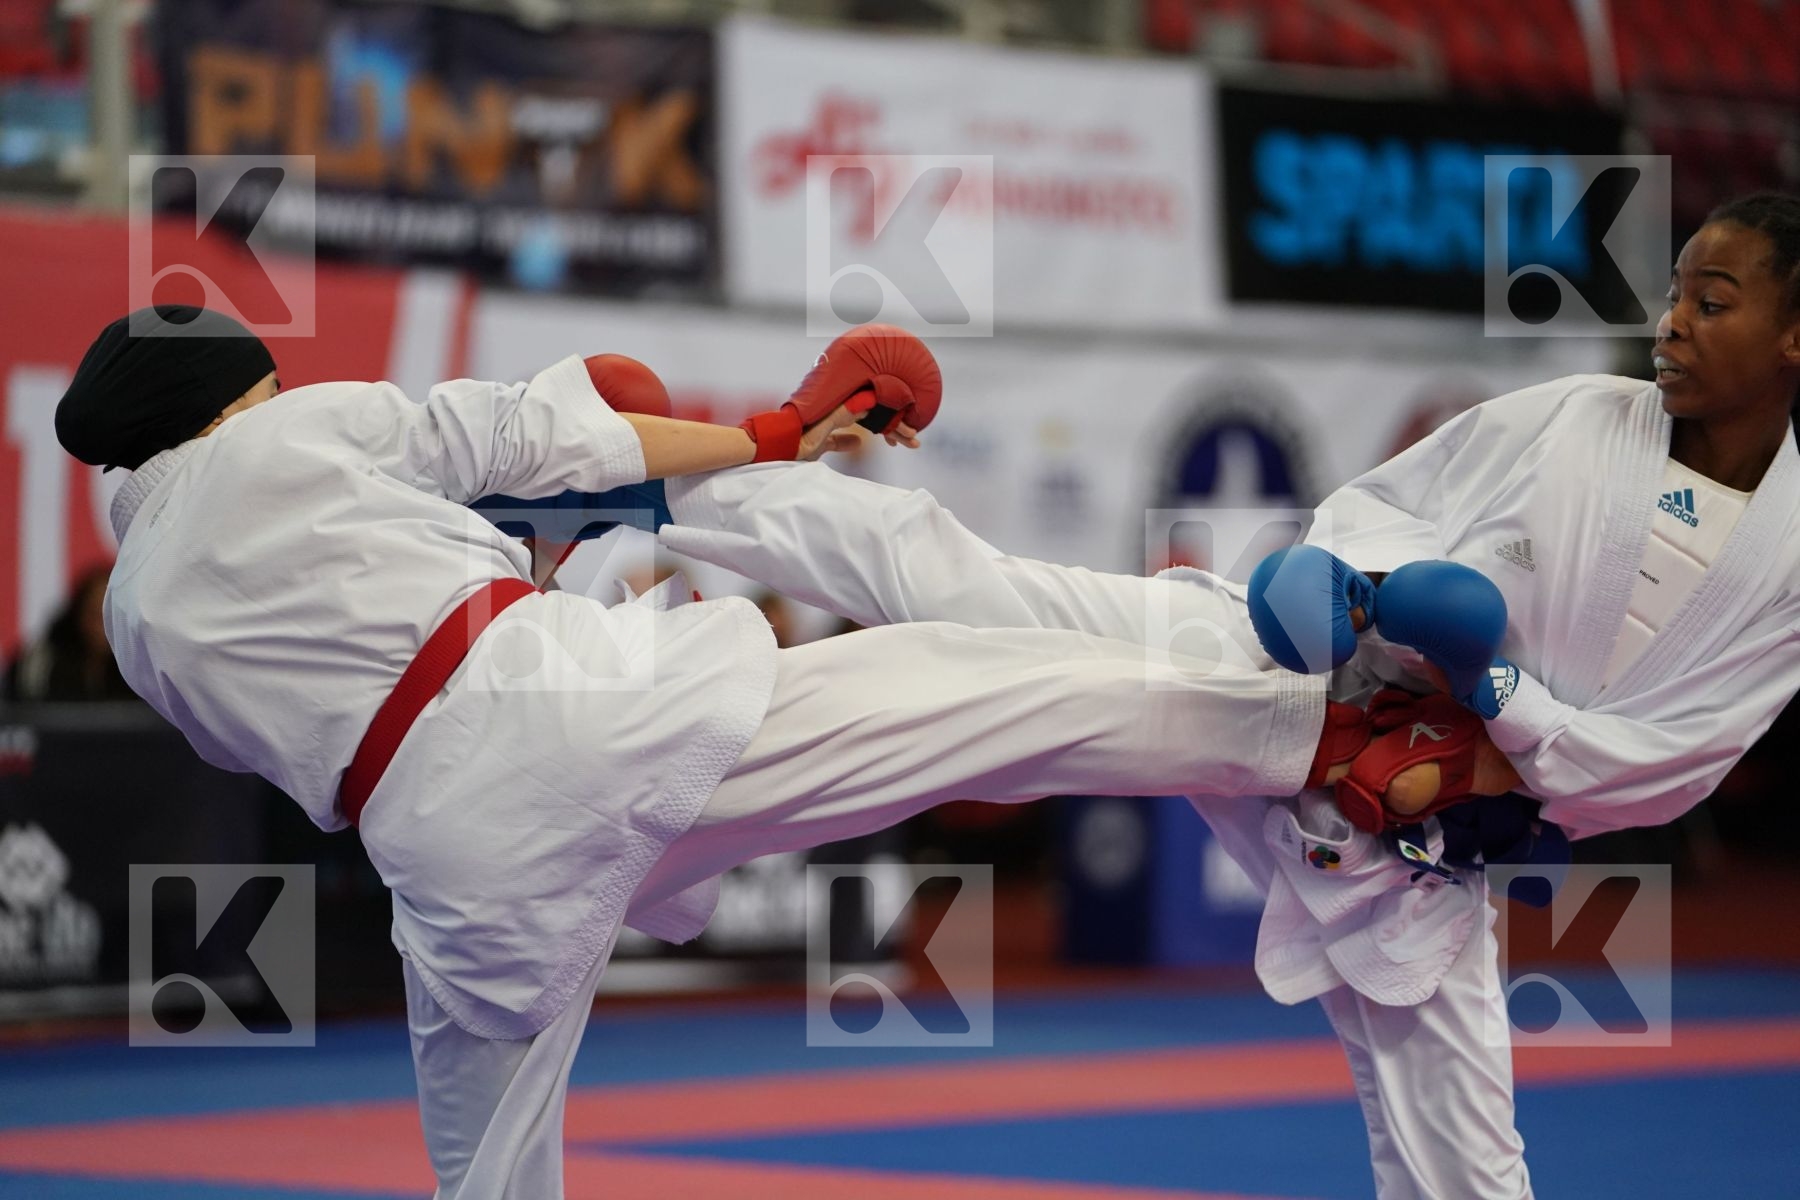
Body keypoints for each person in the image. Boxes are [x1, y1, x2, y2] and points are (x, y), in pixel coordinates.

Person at [57, 305, 1356, 1200]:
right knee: (969, 695)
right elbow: (540, 435)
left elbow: (363, 677)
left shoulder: (134, 623)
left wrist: (535, 549)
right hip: (583, 716)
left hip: (446, 850)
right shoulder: (281, 432)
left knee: (488, 1174)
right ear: (230, 394)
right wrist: (781, 432)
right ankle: (1323, 732)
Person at [646, 191, 1800, 1198]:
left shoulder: (1786, 562)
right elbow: (1393, 505)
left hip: (1415, 831)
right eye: (1675, 292)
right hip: (1289, 688)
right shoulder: (1580, 419)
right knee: (982, 587)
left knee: (1464, 1170)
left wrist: (1501, 708)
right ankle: (676, 477)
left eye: (1714, 299)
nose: (1673, 321)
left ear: (1793, 335)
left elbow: (1676, 759)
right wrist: (1354, 586)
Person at [3, 564, 140, 702]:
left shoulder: (142, 667)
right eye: (95, 616)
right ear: (78, 615)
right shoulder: (43, 663)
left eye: (112, 617)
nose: (103, 628)